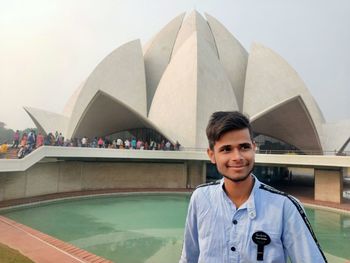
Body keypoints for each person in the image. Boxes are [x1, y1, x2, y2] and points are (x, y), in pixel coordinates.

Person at [180, 111, 327, 263]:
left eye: (244, 147)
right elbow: (188, 258)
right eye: (226, 149)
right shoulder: (200, 198)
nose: (237, 157)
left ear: (254, 148)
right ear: (211, 155)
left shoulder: (285, 207)